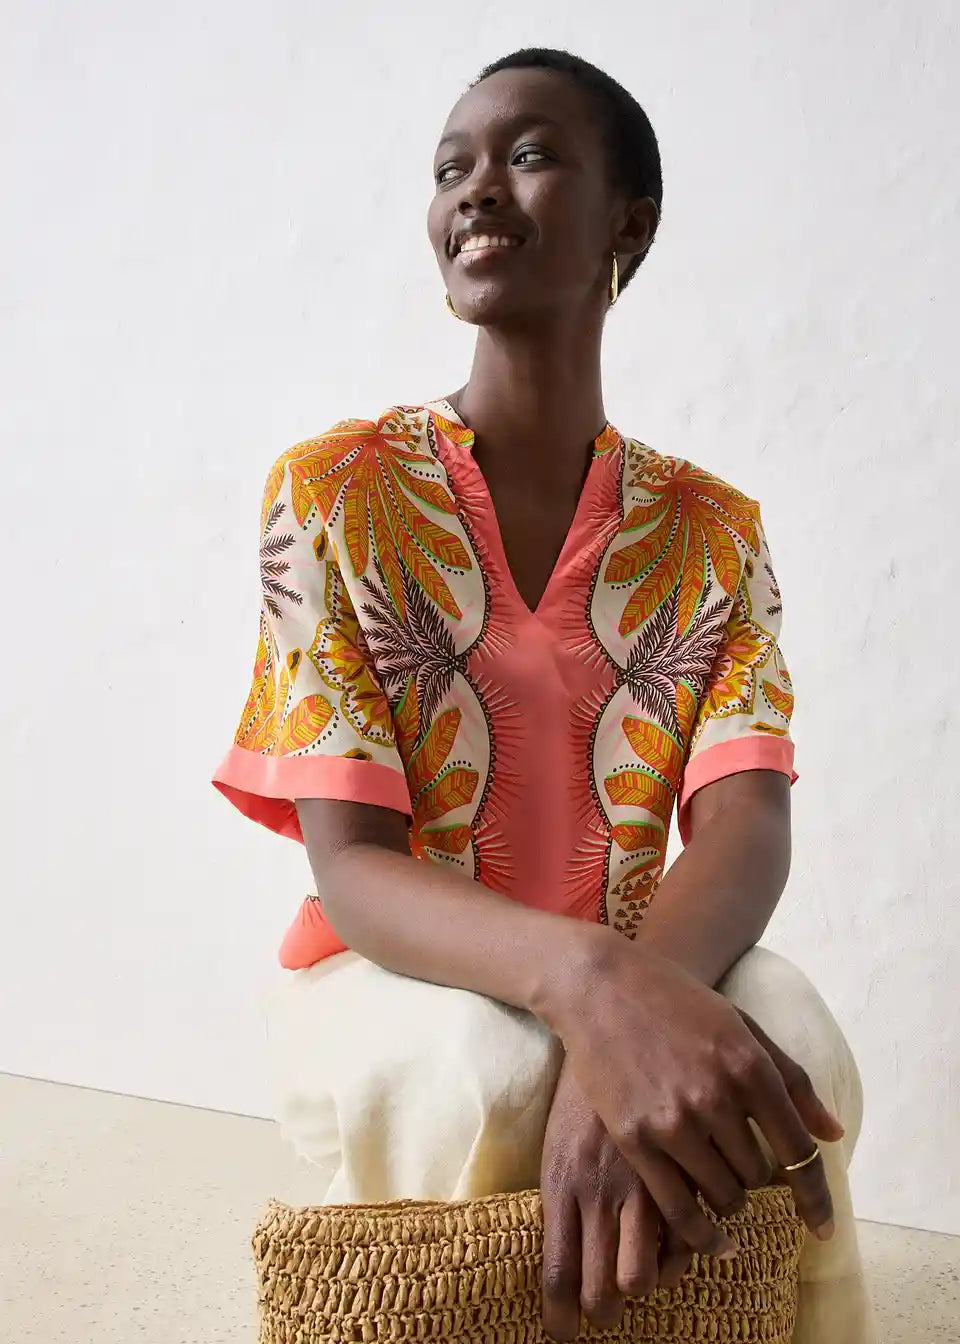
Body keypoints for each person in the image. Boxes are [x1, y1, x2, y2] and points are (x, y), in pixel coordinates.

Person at [214, 48, 874, 1343]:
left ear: (629, 224)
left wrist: (629, 1004)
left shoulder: (713, 531)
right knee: (491, 1071)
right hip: (387, 971)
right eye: (450, 167)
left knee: (796, 1033)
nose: (474, 190)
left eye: (526, 155)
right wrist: (593, 997)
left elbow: (746, 824)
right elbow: (352, 865)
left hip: (637, 947)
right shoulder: (333, 491)